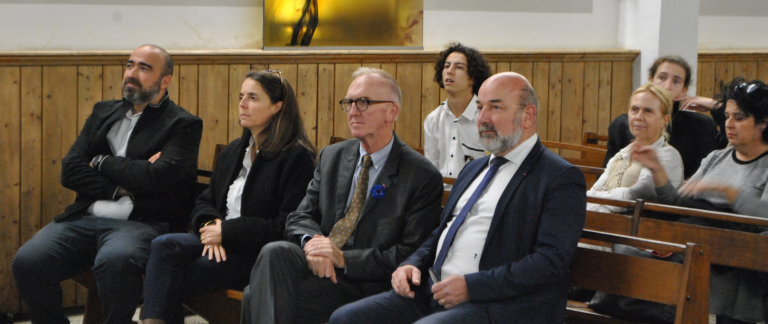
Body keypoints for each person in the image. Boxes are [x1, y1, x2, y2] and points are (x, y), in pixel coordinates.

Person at [329, 72, 587, 324]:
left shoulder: (558, 177)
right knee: (346, 318)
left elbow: (550, 262)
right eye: (479, 107)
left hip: (500, 305)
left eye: (495, 108)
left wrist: (472, 287)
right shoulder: (475, 169)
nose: (482, 118)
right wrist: (412, 264)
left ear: (527, 115)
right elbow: (442, 231)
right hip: (434, 293)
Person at [12, 45, 203, 324]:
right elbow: (70, 170)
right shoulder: (103, 112)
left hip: (142, 222)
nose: (132, 73)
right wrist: (121, 186)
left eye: (143, 68)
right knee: (27, 262)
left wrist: (101, 161)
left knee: (116, 261)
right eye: (129, 65)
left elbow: (156, 178)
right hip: (86, 216)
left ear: (165, 81)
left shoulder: (182, 124)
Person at [239, 67, 444, 324]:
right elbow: (300, 215)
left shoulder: (421, 175)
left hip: (363, 282)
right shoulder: (332, 156)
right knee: (275, 251)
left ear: (392, 112)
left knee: (254, 295)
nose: (353, 110)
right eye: (349, 103)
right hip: (316, 264)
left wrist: (342, 258)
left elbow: (409, 253)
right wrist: (314, 244)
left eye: (364, 102)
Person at [140, 71, 316, 324]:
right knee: (163, 246)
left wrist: (228, 232)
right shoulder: (234, 150)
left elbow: (288, 225)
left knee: (169, 277)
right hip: (218, 243)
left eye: (253, 98)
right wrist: (211, 226)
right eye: (241, 96)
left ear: (277, 106)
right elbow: (205, 201)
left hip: (255, 254)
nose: (243, 104)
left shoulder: (296, 157)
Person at [632, 78, 768, 324]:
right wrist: (657, 170)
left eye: (738, 118)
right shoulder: (717, 157)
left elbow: (764, 216)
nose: (728, 124)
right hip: (699, 255)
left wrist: (727, 192)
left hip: (744, 265)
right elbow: (678, 204)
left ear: (763, 123)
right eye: (726, 116)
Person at [604, 55, 727, 178]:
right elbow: (607, 174)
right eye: (662, 78)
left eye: (676, 81)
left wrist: (715, 106)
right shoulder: (624, 123)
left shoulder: (701, 125)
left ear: (684, 90)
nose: (667, 86)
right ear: (650, 81)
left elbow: (729, 153)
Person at [587, 83, 683, 212]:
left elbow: (634, 196)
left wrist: (599, 196)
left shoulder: (668, 155)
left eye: (648, 111)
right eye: (634, 109)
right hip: (602, 222)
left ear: (664, 120)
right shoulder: (623, 152)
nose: (638, 117)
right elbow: (592, 195)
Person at [423, 42, 492, 179]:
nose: (449, 71)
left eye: (458, 67)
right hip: (441, 196)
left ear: (473, 77)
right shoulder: (433, 119)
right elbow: (430, 170)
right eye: (447, 66)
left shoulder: (488, 118)